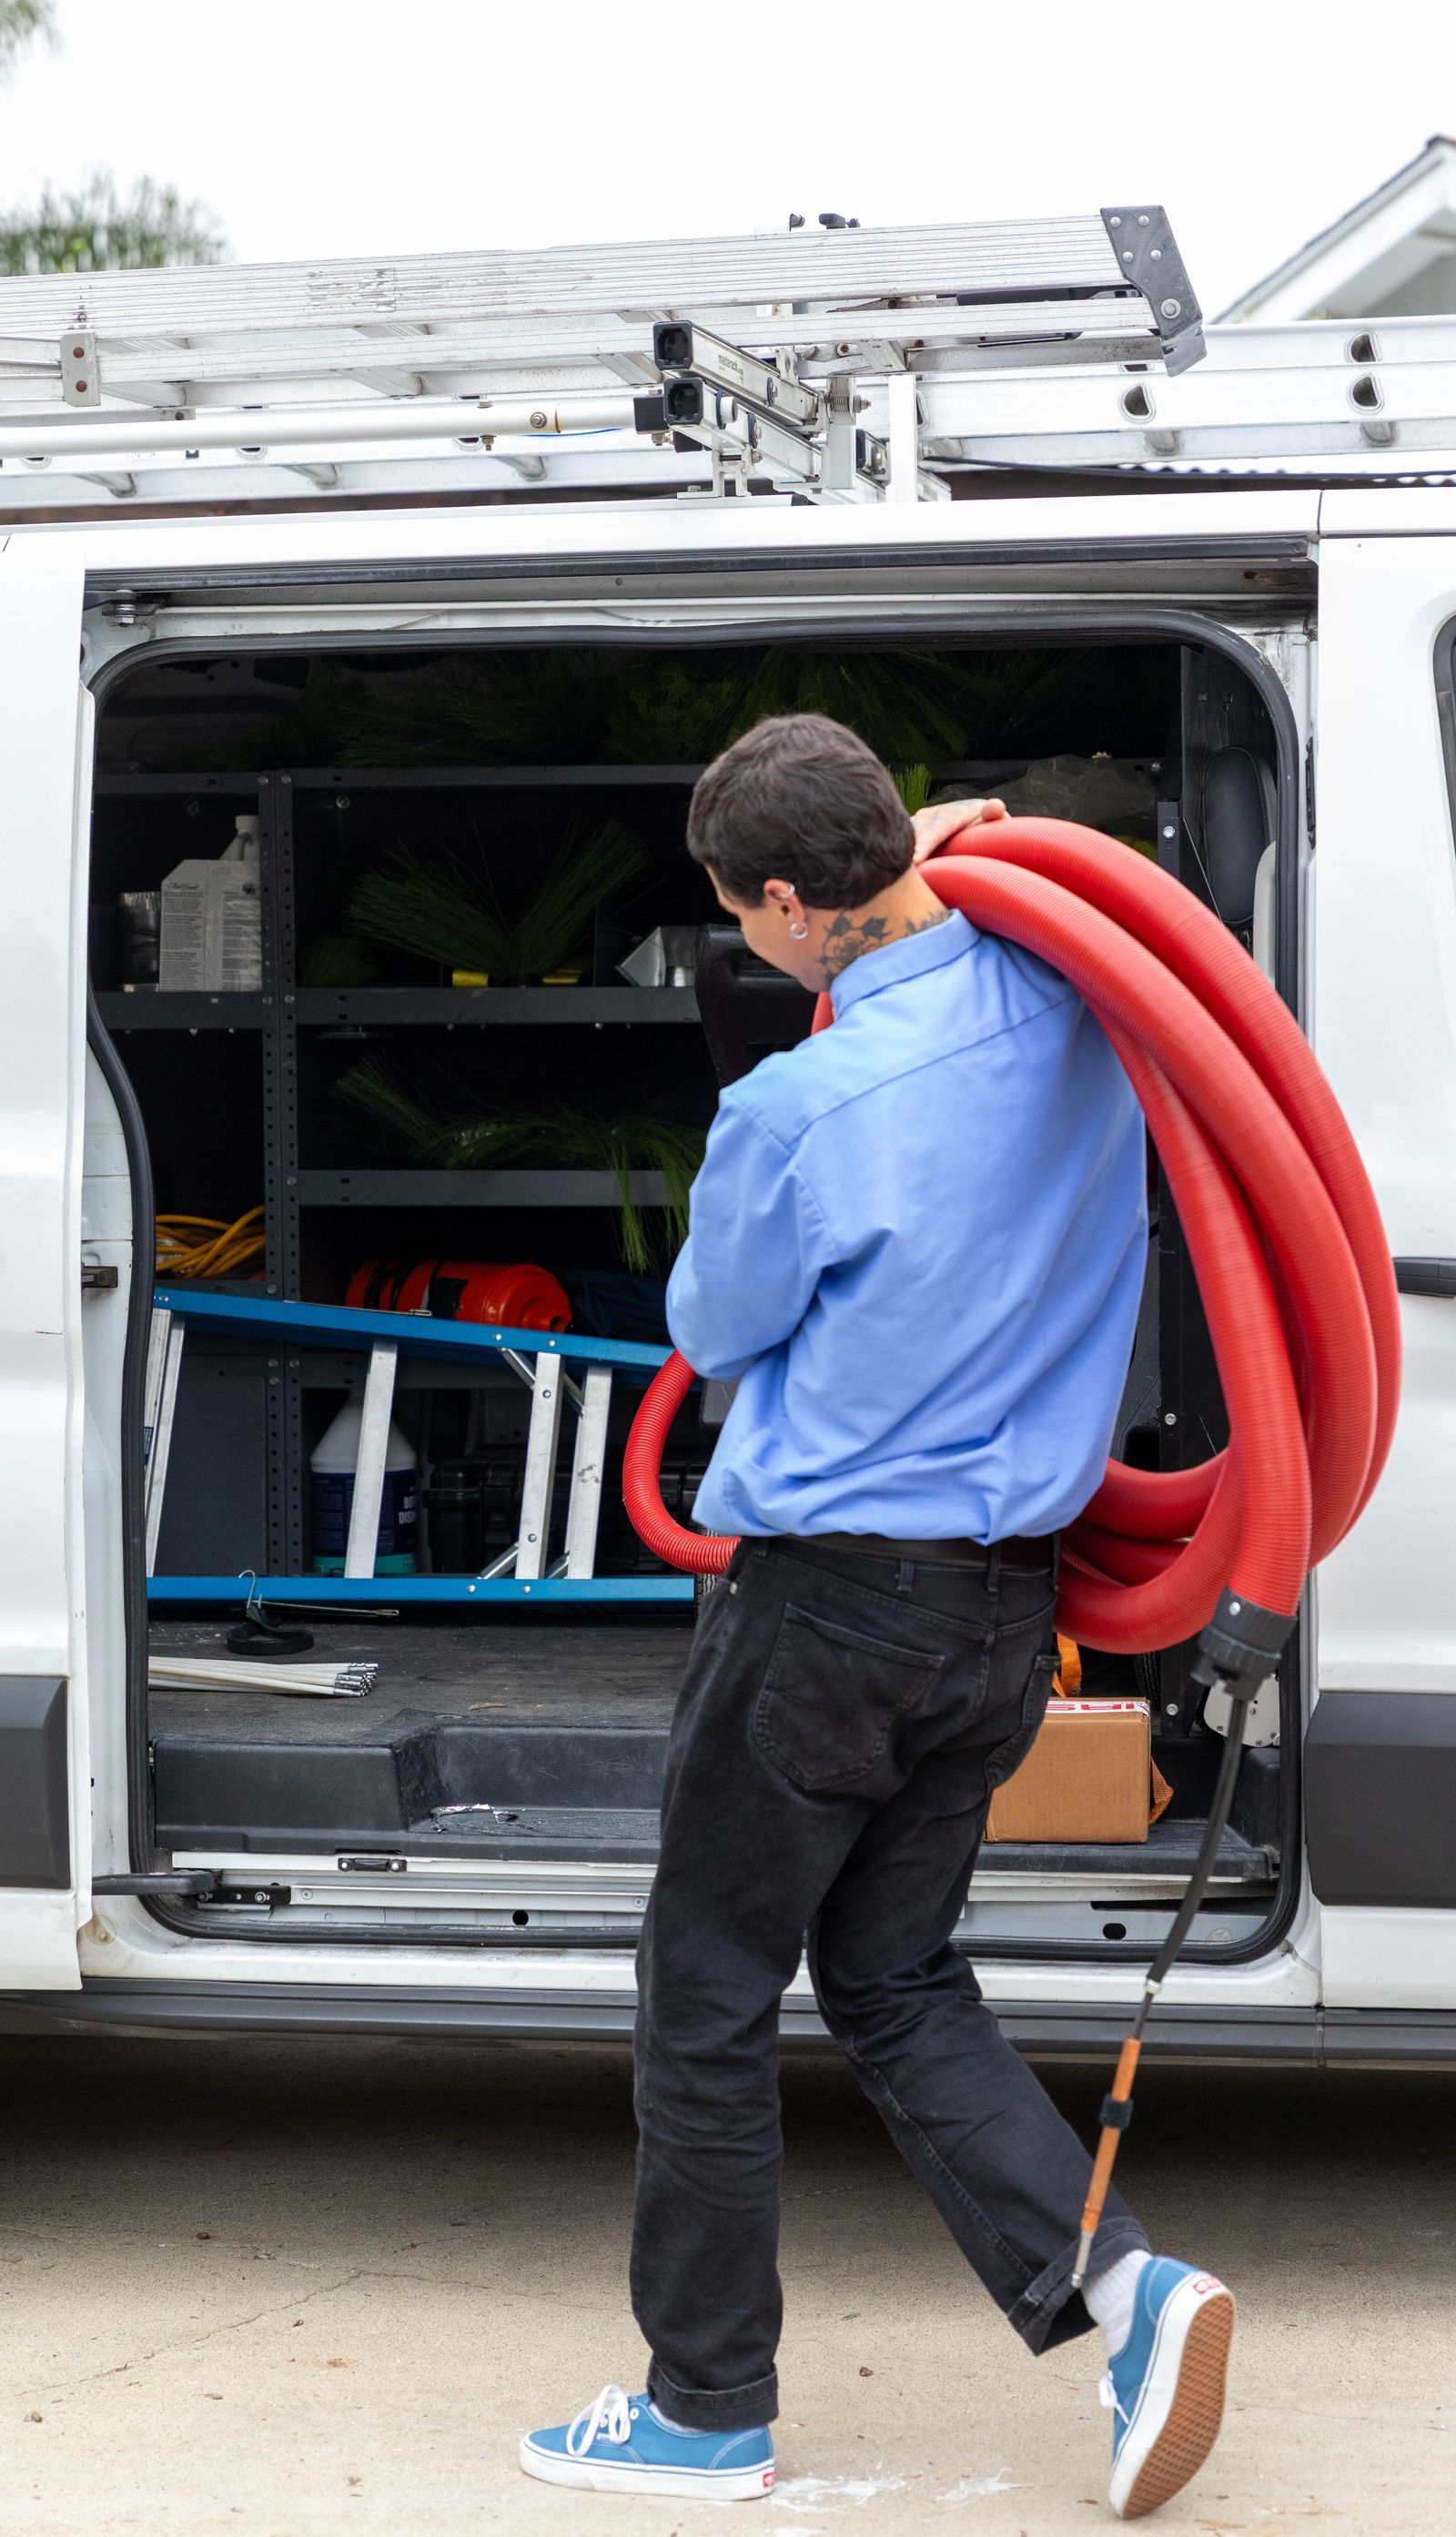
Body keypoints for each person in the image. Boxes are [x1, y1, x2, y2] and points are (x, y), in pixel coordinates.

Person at [520, 714, 1234, 2518]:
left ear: (782, 903)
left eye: (738, 912)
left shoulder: (797, 1107)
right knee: (897, 1977)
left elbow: (724, 1325)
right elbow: (967, 894)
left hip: (829, 1612)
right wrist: (937, 849)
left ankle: (702, 2411)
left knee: (705, 1992)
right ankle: (1129, 2293)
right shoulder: (1077, 1004)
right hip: (1009, 1611)